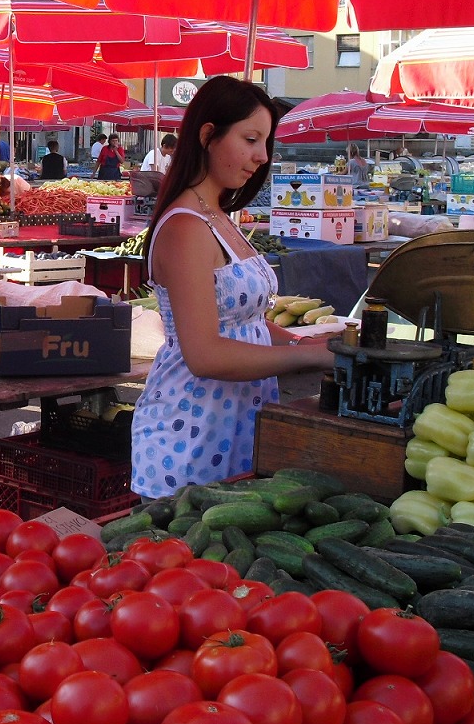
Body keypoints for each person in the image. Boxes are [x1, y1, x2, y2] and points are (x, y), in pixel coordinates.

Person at [130, 78, 333, 498]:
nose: (262, 156)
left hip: (236, 425)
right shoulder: (186, 227)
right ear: (208, 135)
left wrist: (303, 342)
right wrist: (307, 356)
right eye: (251, 139)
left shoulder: (217, 216)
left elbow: (244, 322)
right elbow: (205, 354)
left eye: (266, 142)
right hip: (190, 437)